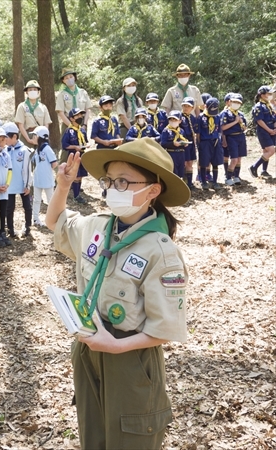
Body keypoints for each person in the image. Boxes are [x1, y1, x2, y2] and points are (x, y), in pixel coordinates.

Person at [46, 138, 190, 450]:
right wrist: (63, 185)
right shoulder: (97, 227)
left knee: (130, 439)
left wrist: (114, 347)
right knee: (94, 436)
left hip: (129, 357)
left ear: (153, 190)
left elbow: (164, 328)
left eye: (123, 181)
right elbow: (55, 222)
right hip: (88, 348)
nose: (113, 188)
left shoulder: (159, 251)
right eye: (109, 181)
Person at [4, 121, 33, 238]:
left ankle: (27, 226)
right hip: (9, 185)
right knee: (9, 207)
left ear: (14, 136)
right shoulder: (5, 150)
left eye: (6, 137)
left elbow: (27, 169)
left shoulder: (25, 150)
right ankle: (10, 229)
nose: (4, 140)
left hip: (22, 184)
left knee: (27, 206)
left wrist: (28, 185)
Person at [31, 126, 58, 226]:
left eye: (34, 135)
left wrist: (46, 170)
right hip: (37, 179)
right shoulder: (37, 149)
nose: (33, 138)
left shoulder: (47, 149)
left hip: (46, 179)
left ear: (40, 136)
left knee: (50, 200)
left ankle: (52, 219)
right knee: (36, 199)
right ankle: (35, 219)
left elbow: (54, 163)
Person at [61, 108, 90, 203]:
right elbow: (65, 145)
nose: (80, 117)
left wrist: (86, 145)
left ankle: (77, 193)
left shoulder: (82, 130)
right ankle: (76, 196)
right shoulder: (68, 131)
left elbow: (85, 141)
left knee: (80, 175)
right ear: (72, 118)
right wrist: (75, 147)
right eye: (77, 116)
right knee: (76, 176)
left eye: (81, 115)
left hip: (82, 155)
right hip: (73, 155)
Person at [55, 68, 93, 135]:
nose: (69, 79)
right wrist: (71, 126)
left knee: (82, 144)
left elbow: (88, 109)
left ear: (74, 78)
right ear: (63, 81)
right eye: (66, 78)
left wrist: (85, 124)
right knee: (67, 144)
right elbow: (61, 113)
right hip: (68, 123)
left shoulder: (83, 92)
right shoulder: (61, 95)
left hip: (81, 123)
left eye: (71, 77)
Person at [249, 85, 276, 179]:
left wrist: (274, 128)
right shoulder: (258, 107)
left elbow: (274, 118)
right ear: (262, 95)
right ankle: (254, 167)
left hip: (272, 129)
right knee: (271, 150)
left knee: (266, 151)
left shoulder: (269, 106)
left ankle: (264, 171)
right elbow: (259, 121)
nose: (270, 95)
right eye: (268, 93)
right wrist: (269, 130)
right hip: (263, 131)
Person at [15, 80, 52, 146]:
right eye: (30, 90)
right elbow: (21, 125)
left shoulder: (43, 107)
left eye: (35, 89)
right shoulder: (22, 106)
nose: (33, 91)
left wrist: (43, 136)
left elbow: (46, 124)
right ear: (26, 92)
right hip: (27, 135)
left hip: (40, 136)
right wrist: (28, 139)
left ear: (38, 92)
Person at [221, 93, 247, 186]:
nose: (236, 104)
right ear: (230, 102)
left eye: (238, 102)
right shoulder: (225, 113)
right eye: (234, 102)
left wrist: (241, 123)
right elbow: (223, 128)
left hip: (241, 136)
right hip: (231, 137)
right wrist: (235, 121)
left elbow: (245, 128)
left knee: (239, 158)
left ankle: (236, 176)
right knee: (234, 159)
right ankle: (228, 177)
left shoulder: (241, 114)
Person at [198, 97, 223, 189]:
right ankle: (204, 182)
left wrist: (220, 140)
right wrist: (199, 144)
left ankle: (215, 182)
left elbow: (219, 130)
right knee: (204, 162)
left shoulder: (217, 116)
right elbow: (199, 133)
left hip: (215, 141)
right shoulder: (201, 117)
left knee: (215, 162)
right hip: (205, 142)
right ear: (205, 106)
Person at [161, 111, 189, 181]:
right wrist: (173, 144)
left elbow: (183, 139)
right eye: (171, 119)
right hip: (171, 153)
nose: (173, 121)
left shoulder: (181, 131)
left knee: (181, 171)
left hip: (181, 153)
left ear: (180, 121)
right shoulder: (166, 131)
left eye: (175, 119)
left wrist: (185, 143)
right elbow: (163, 144)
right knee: (173, 172)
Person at [180, 97, 200, 190]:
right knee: (183, 162)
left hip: (191, 142)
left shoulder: (192, 118)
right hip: (183, 142)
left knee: (190, 163)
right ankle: (183, 182)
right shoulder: (179, 117)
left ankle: (190, 183)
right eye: (184, 106)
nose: (186, 108)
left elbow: (196, 131)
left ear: (192, 108)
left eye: (188, 106)